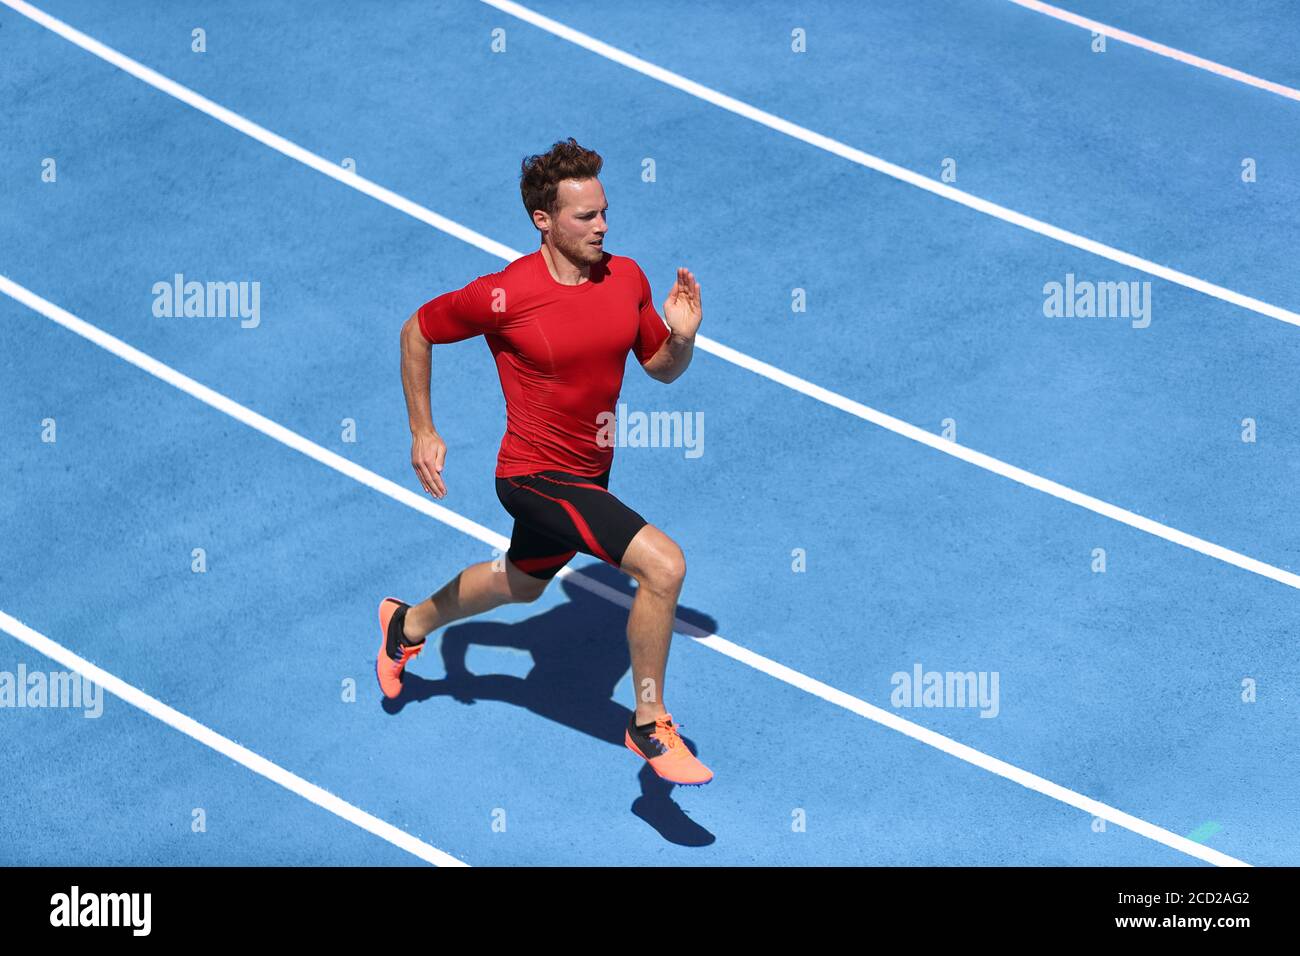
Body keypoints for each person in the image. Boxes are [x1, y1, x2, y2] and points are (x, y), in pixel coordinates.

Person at [377, 138, 711, 786]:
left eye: (605, 211)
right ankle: (649, 723)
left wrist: (681, 339)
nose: (603, 226)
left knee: (521, 586)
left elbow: (661, 372)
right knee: (663, 566)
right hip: (532, 477)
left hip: (590, 476)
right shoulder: (506, 294)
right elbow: (417, 330)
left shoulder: (628, 279)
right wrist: (422, 428)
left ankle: (404, 624)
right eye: (586, 217)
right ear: (544, 221)